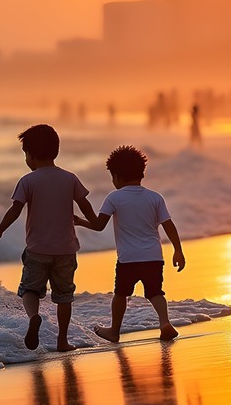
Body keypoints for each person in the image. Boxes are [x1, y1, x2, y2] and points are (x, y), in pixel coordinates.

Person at [0, 124, 97, 352]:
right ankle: (62, 340)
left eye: (26, 155)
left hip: (37, 250)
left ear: (32, 155)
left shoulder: (28, 181)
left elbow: (15, 210)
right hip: (66, 250)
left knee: (29, 289)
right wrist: (94, 221)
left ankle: (33, 316)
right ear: (55, 151)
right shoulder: (70, 178)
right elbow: (84, 204)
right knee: (64, 296)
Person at [78, 145, 186, 343]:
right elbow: (169, 226)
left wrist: (79, 221)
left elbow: (99, 225)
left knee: (120, 294)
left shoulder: (114, 198)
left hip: (128, 259)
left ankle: (114, 330)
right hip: (153, 256)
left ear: (117, 176)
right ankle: (165, 323)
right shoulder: (155, 197)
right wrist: (178, 250)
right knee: (155, 293)